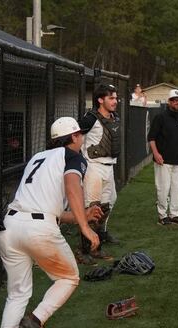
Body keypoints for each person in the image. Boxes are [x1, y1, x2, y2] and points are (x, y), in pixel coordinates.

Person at [0, 117, 103, 328]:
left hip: (10, 226)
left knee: (18, 293)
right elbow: (72, 187)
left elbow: (48, 209)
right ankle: (35, 320)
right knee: (69, 277)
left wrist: (82, 216)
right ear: (74, 137)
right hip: (37, 230)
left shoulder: (38, 157)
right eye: (80, 134)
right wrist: (86, 228)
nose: (82, 138)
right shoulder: (72, 157)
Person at [77, 83, 121, 264]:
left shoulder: (114, 117)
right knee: (92, 208)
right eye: (111, 97)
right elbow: (75, 136)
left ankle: (97, 244)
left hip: (109, 166)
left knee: (106, 205)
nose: (115, 101)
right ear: (100, 100)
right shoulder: (90, 118)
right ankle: (83, 250)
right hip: (93, 166)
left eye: (116, 97)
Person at [148, 89, 178, 226]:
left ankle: (174, 214)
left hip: (177, 160)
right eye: (175, 100)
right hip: (163, 160)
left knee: (176, 188)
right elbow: (151, 138)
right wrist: (156, 154)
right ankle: (162, 215)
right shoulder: (160, 117)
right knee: (163, 188)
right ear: (169, 102)